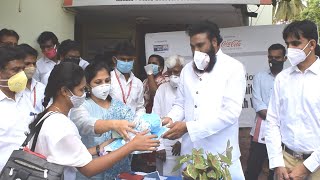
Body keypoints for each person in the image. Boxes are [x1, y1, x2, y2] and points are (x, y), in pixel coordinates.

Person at [30, 62, 160, 180]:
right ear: (64, 91)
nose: (83, 94)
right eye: (81, 90)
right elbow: (89, 169)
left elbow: (69, 154)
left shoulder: (47, 116)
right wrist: (130, 146)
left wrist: (100, 148)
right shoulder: (62, 125)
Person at [162, 21, 246, 179]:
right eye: (192, 47)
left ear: (214, 42)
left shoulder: (233, 68)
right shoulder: (187, 70)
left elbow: (230, 113)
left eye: (200, 45)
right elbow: (180, 103)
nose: (196, 52)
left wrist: (188, 127)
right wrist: (169, 118)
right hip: (191, 156)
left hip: (221, 156)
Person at [265, 20, 320, 180]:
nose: (290, 49)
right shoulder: (282, 78)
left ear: (312, 44)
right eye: (288, 44)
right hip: (285, 160)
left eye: (296, 43)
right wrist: (277, 162)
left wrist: (307, 167)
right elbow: (273, 121)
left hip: (317, 164)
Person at [70, 60, 136, 179]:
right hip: (91, 170)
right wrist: (114, 125)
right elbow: (85, 124)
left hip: (119, 170)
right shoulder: (81, 106)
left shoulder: (119, 106)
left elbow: (134, 127)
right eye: (98, 82)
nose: (104, 85)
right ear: (88, 85)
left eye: (107, 81)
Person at [244, 43, 287, 180]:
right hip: (261, 131)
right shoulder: (259, 77)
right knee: (252, 169)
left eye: (277, 57)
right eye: (270, 57)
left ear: (285, 58)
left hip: (283, 133)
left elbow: (290, 108)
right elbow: (258, 104)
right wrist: (278, 118)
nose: (273, 61)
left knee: (275, 172)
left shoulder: (289, 78)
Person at [0, 46, 34, 171]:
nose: (21, 75)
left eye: (22, 69)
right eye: (15, 70)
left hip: (29, 171)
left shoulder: (24, 96)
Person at [152, 55, 184, 176]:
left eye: (176, 72)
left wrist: (182, 141)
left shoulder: (189, 90)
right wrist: (159, 145)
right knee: (165, 175)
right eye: (170, 72)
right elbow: (156, 117)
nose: (173, 75)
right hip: (164, 142)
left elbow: (191, 117)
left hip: (184, 142)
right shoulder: (162, 89)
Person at [110, 41, 146, 119]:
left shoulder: (138, 83)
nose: (126, 62)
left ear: (134, 60)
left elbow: (140, 107)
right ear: (114, 59)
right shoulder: (108, 79)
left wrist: (137, 121)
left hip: (132, 127)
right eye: (123, 59)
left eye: (129, 60)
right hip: (112, 126)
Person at [18, 44, 46, 114]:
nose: (32, 67)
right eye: (27, 63)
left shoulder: (42, 88)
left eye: (34, 63)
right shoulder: (11, 89)